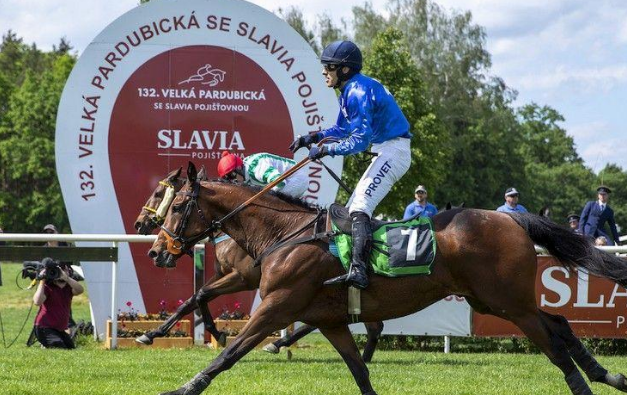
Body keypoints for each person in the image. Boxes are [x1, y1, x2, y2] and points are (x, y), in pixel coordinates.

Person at [289, 40, 411, 289]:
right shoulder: (351, 90)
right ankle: (356, 265)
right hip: (385, 149)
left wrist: (325, 150)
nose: (324, 71)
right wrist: (311, 138)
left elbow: (357, 141)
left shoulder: (356, 91)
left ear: (344, 70)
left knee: (360, 207)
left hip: (393, 151)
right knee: (351, 208)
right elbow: (341, 129)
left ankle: (360, 271)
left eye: (329, 66)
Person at [33, 258, 84, 349]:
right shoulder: (48, 287)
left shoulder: (69, 288)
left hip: (59, 329)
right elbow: (37, 302)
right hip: (44, 327)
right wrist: (42, 280)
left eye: (63, 270)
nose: (60, 273)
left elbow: (80, 290)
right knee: (59, 347)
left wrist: (67, 278)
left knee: (70, 349)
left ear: (68, 271)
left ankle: (47, 345)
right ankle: (46, 344)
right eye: (58, 270)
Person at [217, 151, 308, 198]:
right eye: (228, 179)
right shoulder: (246, 169)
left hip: (297, 178)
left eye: (232, 176)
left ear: (239, 168)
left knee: (269, 201)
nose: (232, 181)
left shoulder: (257, 169)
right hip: (288, 179)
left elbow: (281, 183)